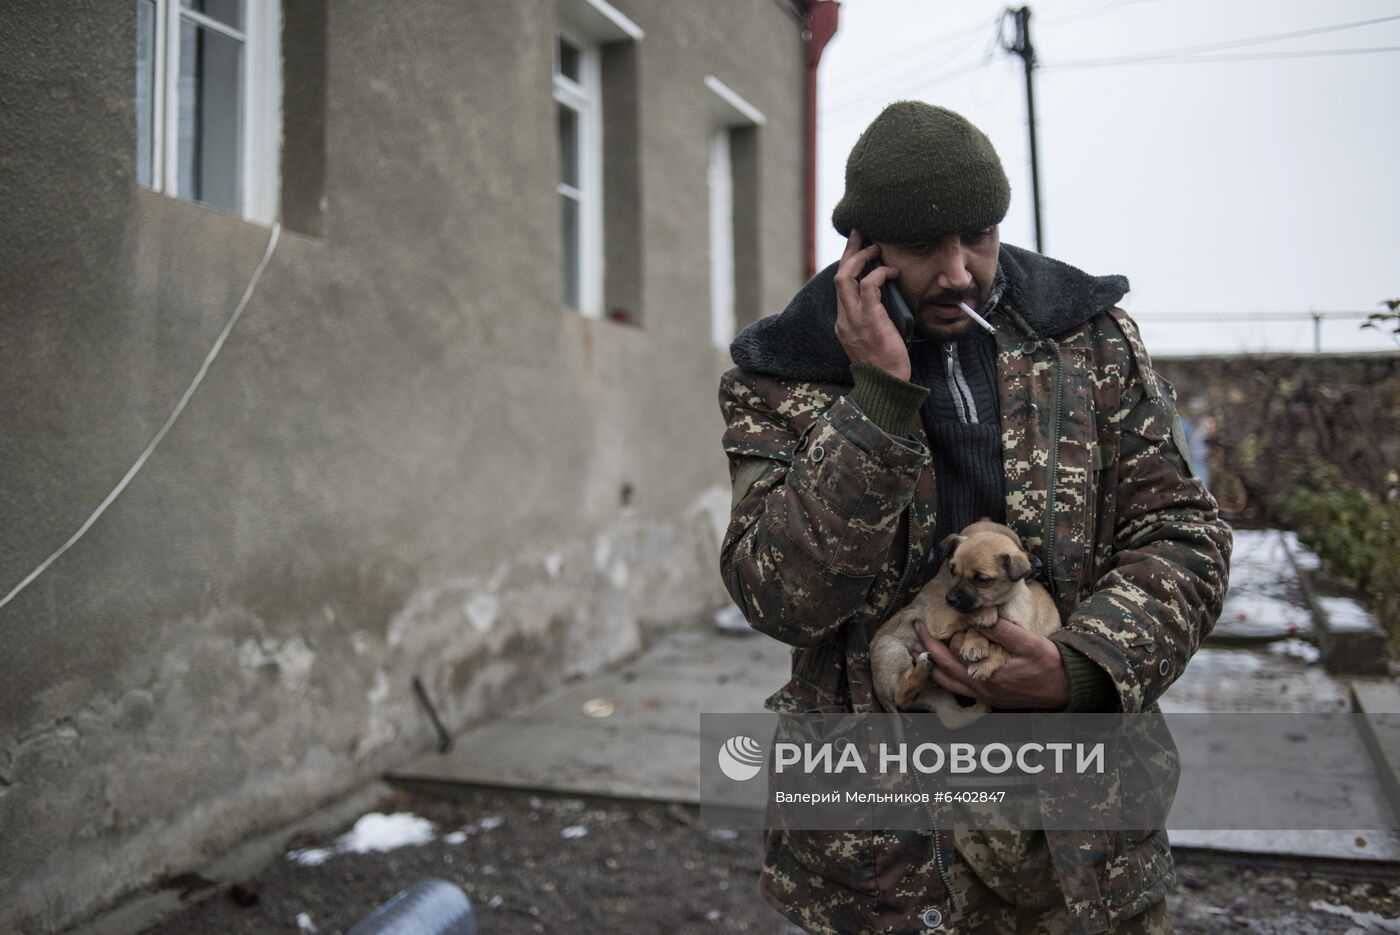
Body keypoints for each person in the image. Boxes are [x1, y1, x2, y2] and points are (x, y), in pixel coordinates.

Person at [716, 101, 1232, 934]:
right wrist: (877, 400)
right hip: (883, 855)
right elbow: (780, 598)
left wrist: (1082, 667)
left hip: (1081, 834)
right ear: (865, 249)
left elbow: (1183, 533)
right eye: (923, 246)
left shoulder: (1086, 339)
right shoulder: (785, 375)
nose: (958, 272)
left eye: (979, 236)